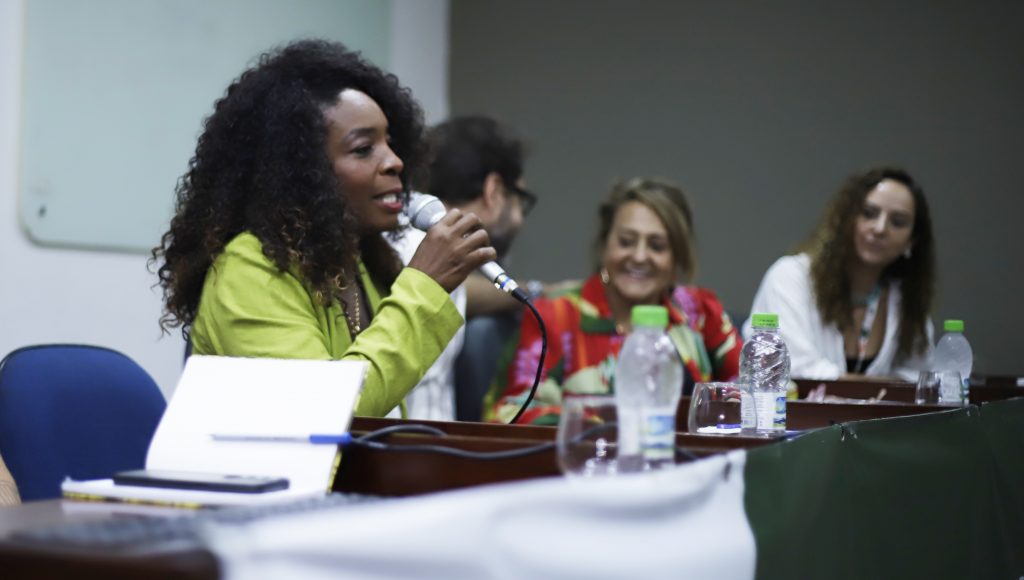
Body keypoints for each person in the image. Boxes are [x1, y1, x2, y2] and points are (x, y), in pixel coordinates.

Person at [152, 39, 495, 418]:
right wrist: (425, 286)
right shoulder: (249, 268)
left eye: (391, 143)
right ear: (301, 171)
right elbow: (326, 412)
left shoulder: (358, 261)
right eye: (363, 149)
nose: (395, 162)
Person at [485, 177, 742, 425]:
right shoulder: (557, 314)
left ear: (677, 256)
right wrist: (594, 427)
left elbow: (750, 390)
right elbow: (511, 412)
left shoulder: (699, 311)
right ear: (604, 244)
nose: (639, 256)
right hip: (585, 452)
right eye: (626, 242)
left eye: (657, 246)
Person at [744, 166, 935, 381]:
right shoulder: (790, 277)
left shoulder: (905, 297)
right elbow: (793, 368)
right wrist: (884, 386)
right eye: (868, 214)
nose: (880, 228)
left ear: (912, 241)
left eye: (897, 222)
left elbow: (920, 379)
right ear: (846, 219)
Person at [414, 116, 539, 421]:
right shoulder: (419, 249)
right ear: (493, 191)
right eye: (520, 200)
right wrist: (538, 293)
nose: (520, 219)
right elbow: (453, 287)